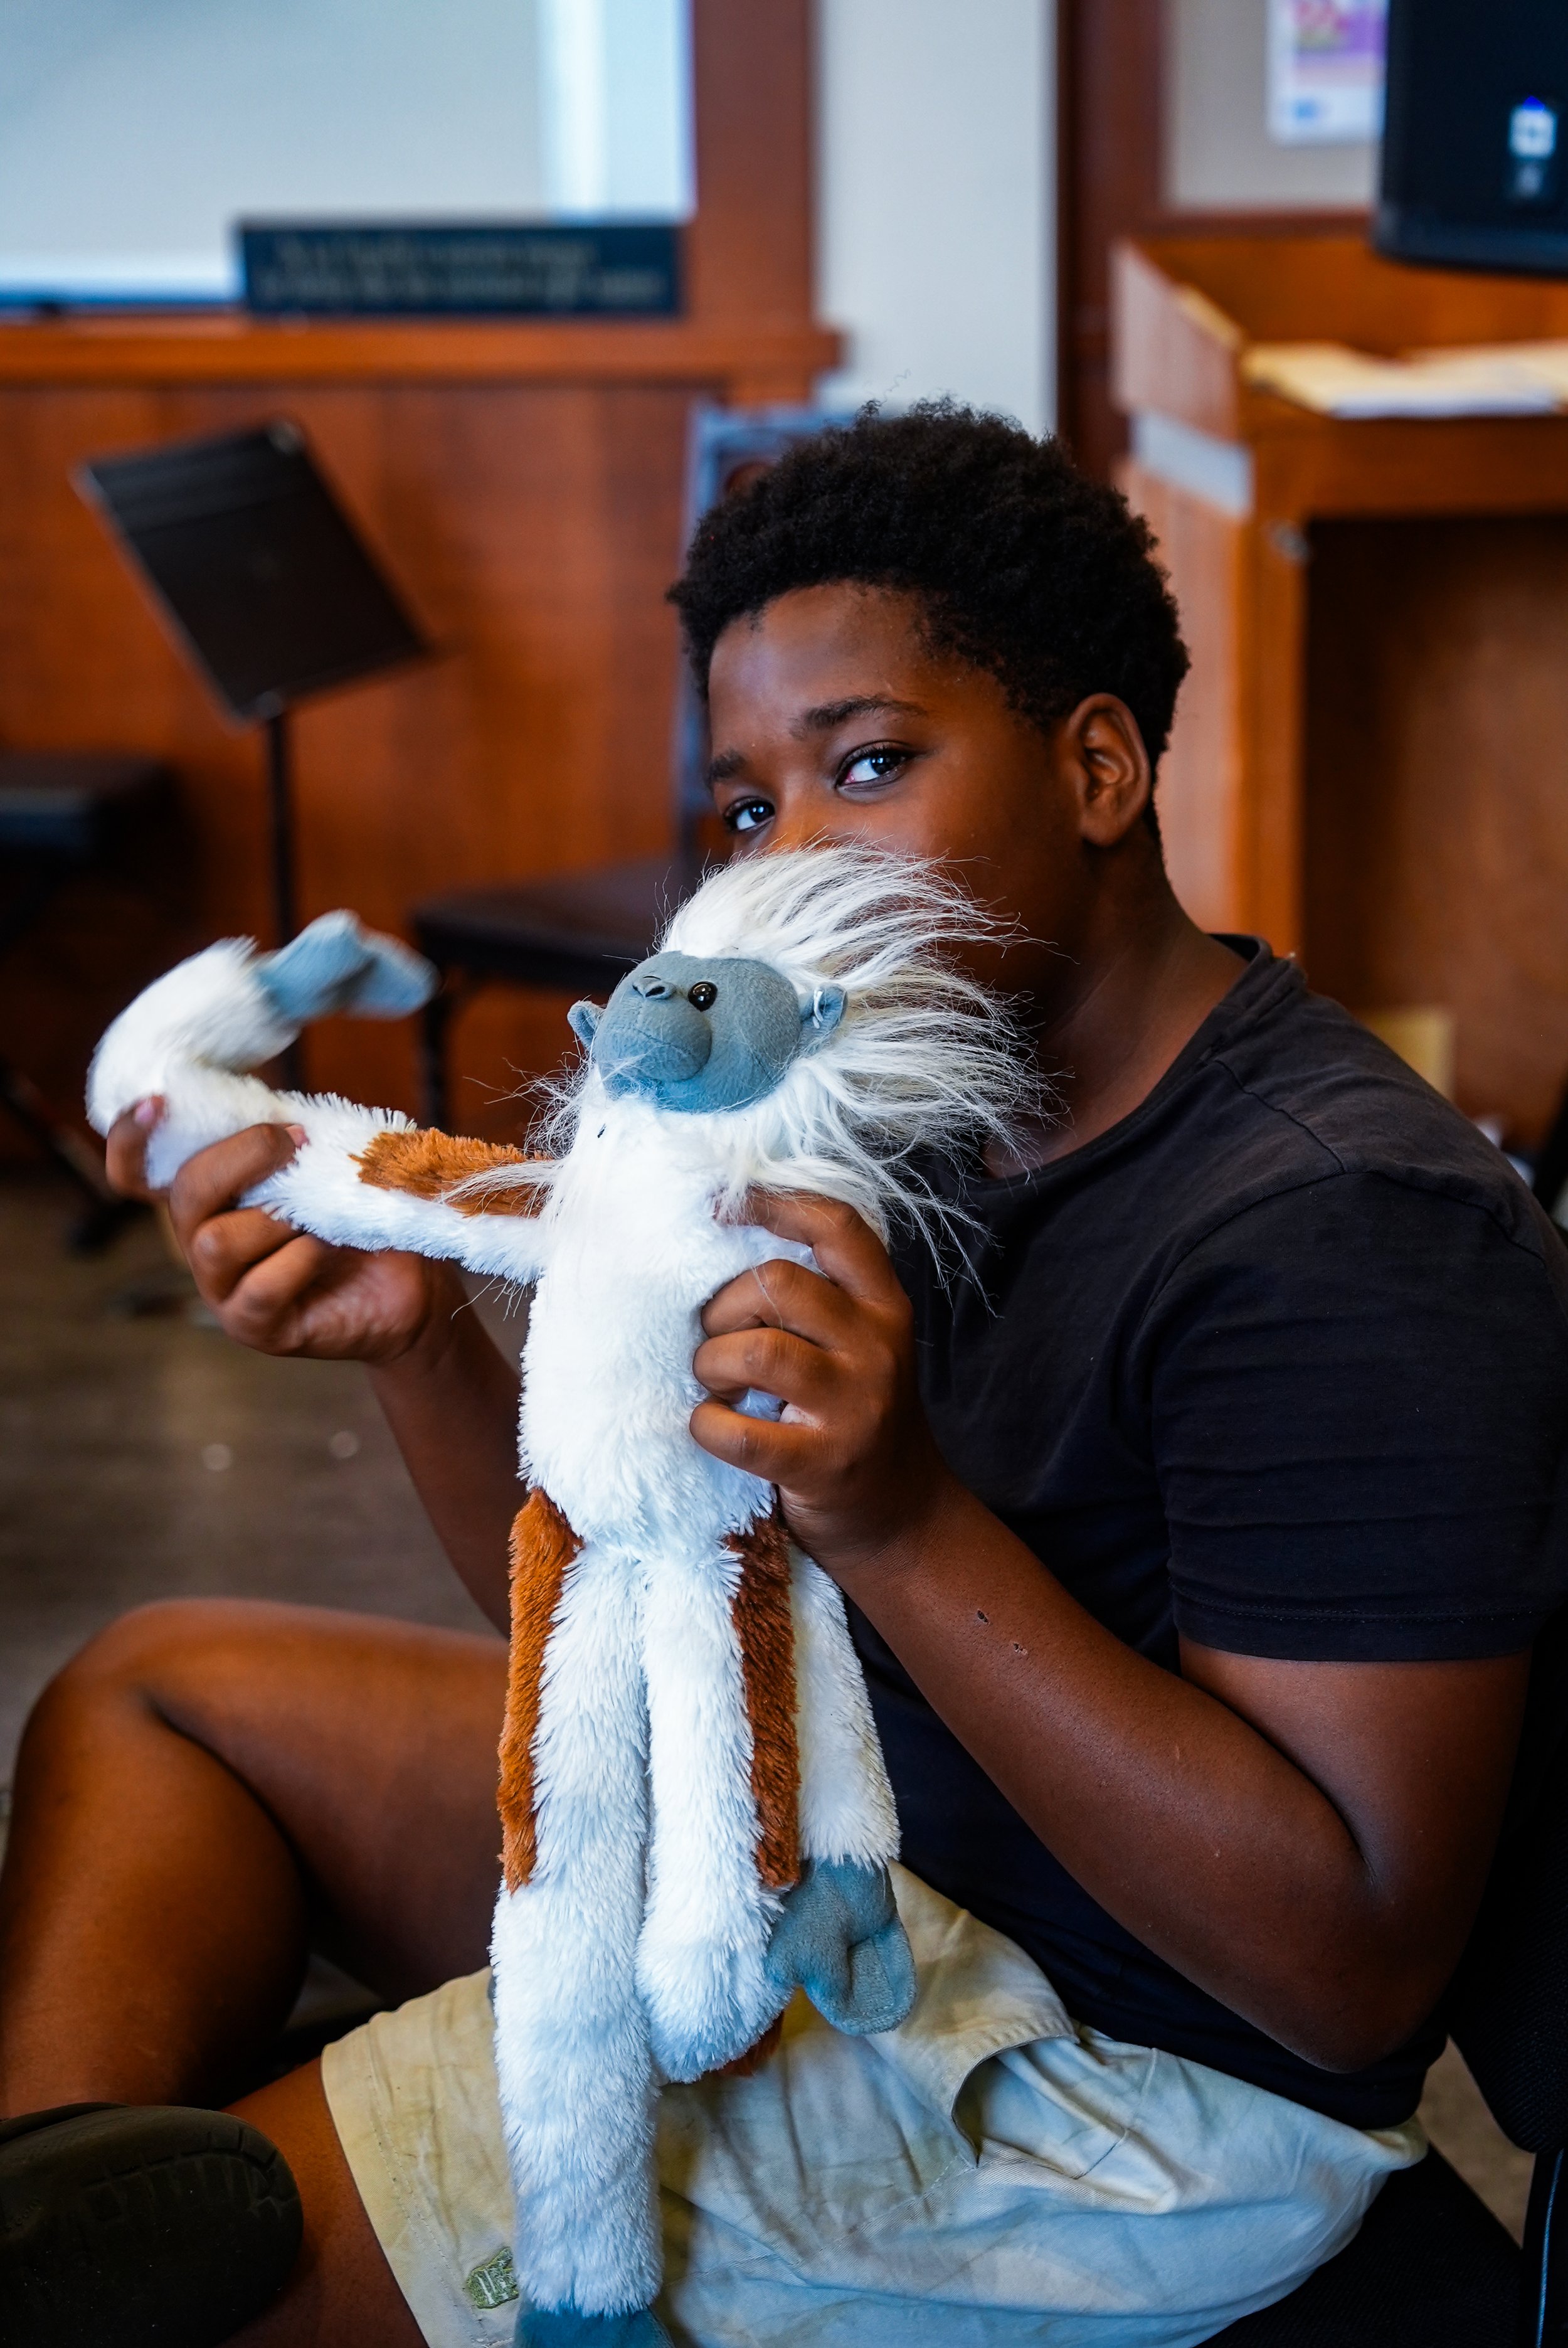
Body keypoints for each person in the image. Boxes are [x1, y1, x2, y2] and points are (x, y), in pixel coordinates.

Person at [3, 405, 1565, 2348]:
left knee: (194, 2276)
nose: (780, 869)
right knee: (160, 1696)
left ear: (1094, 767)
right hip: (836, 1836)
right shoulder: (873, 1115)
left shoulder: (1340, 1229)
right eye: (747, 811)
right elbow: (617, 1605)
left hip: (1110, 2079)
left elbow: (1341, 1981)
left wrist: (893, 1516)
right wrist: (420, 1342)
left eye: (872, 766)